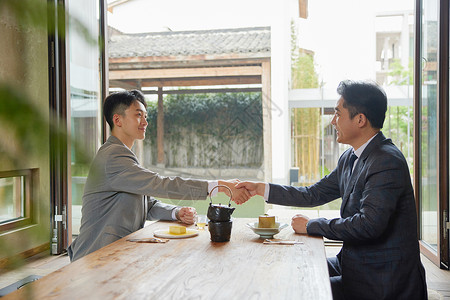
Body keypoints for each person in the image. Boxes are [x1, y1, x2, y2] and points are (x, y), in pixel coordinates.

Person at [236, 80, 427, 300]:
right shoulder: (350, 157)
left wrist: (311, 225)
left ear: (360, 120)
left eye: (338, 114)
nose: (333, 121)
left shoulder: (386, 161)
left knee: (301, 291)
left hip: (382, 279)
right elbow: (313, 194)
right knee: (293, 269)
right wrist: (262, 188)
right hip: (354, 263)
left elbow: (368, 225)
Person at [68, 89, 249, 262]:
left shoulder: (123, 154)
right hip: (95, 257)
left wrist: (175, 212)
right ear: (118, 120)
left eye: (145, 116)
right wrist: (217, 186)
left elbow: (146, 203)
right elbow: (161, 184)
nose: (145, 122)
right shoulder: (113, 156)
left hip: (116, 253)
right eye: (138, 115)